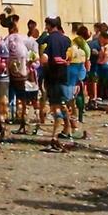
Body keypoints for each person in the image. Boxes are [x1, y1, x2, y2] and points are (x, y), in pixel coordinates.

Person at [40, 17, 73, 152]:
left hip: (52, 77)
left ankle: (54, 137)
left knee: (55, 107)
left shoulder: (47, 40)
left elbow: (44, 59)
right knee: (63, 104)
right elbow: (70, 57)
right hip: (64, 76)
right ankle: (68, 129)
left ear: (49, 25)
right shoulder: (67, 40)